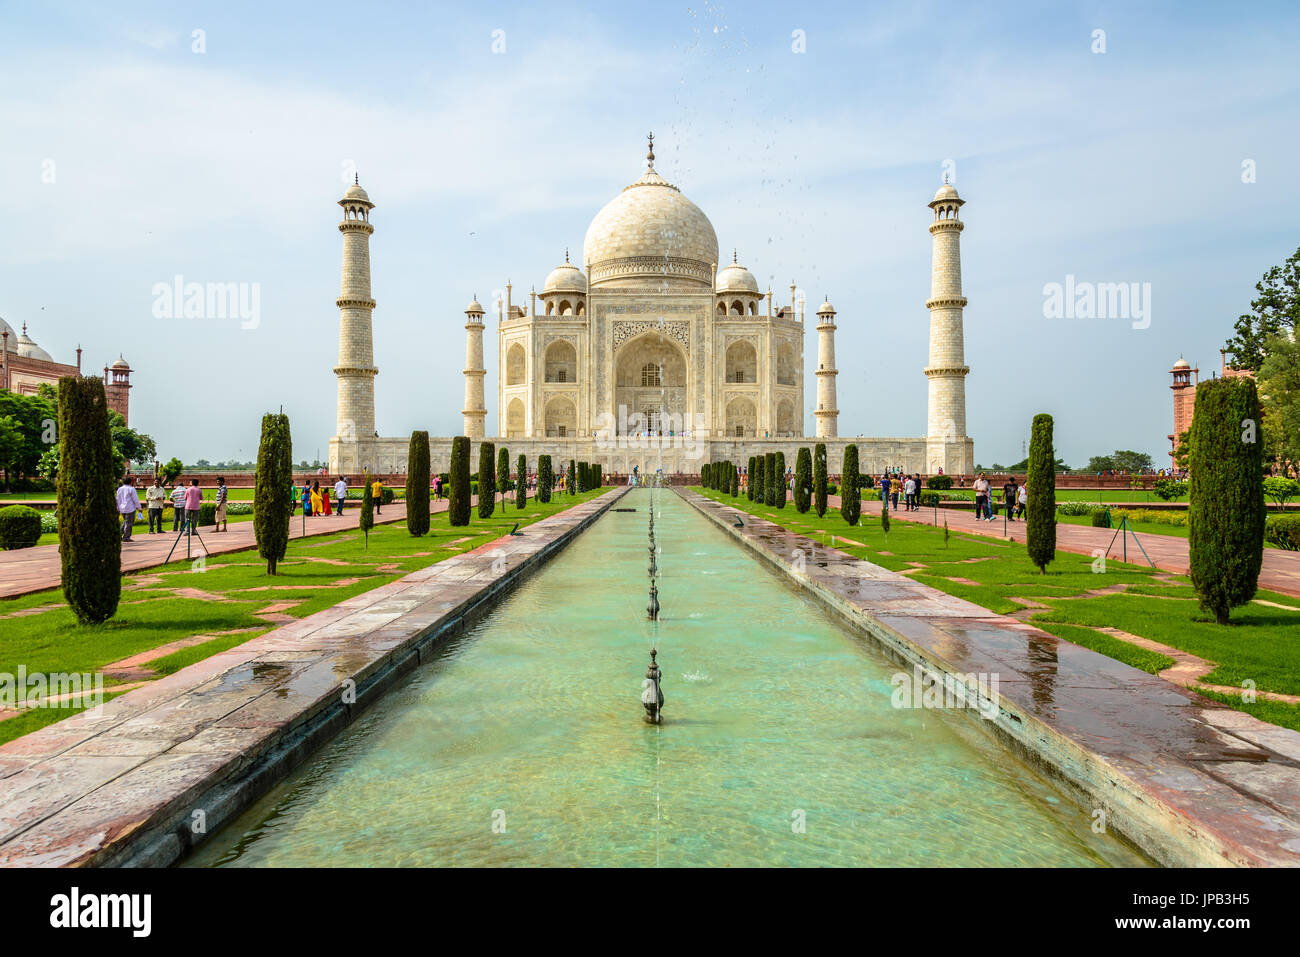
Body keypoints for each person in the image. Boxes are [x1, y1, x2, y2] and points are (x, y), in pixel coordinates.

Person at [116, 476, 140, 542]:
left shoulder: (119, 489)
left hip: (122, 508)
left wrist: (118, 508)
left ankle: (119, 534)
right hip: (130, 508)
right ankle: (126, 537)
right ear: (131, 482)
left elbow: (118, 499)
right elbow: (135, 499)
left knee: (126, 522)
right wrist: (139, 508)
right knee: (129, 523)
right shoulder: (131, 489)